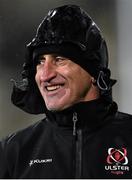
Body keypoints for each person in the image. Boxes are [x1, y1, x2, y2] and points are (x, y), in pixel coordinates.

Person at [0, 4, 132, 179]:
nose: (45, 75)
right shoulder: (13, 152)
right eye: (40, 61)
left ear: (93, 72)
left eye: (59, 59)